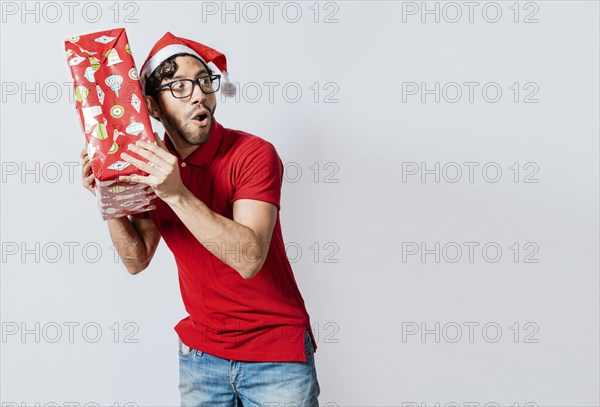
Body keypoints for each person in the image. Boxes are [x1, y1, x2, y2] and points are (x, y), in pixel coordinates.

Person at [80, 32, 320, 406]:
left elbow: (249, 258)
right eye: (179, 86)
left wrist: (175, 192)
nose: (198, 94)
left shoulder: (253, 154)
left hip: (276, 356)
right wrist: (108, 197)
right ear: (152, 107)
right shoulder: (150, 165)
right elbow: (136, 259)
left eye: (204, 81)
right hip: (201, 358)